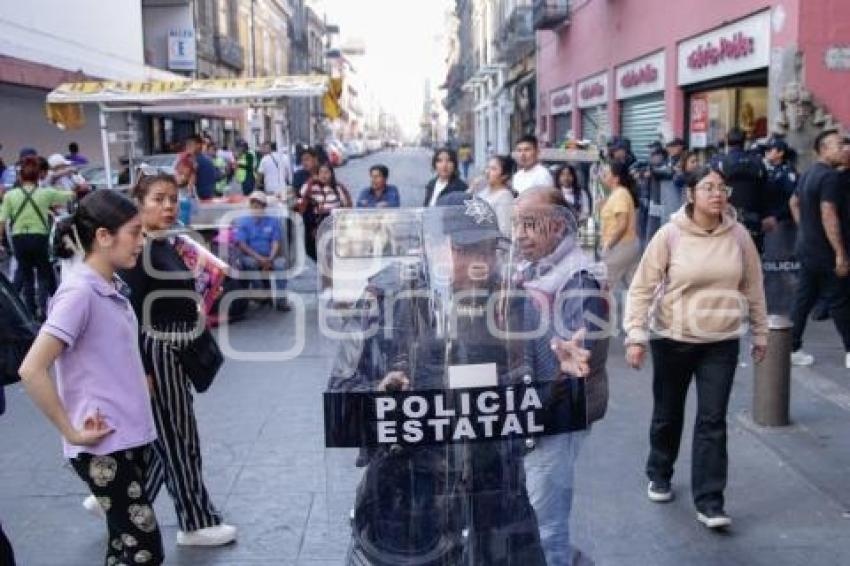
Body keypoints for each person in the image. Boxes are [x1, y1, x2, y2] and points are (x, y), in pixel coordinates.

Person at [329, 194, 547, 565]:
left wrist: (574, 378)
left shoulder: (514, 301)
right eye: (466, 251)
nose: (480, 264)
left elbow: (559, 400)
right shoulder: (387, 296)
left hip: (495, 490)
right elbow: (341, 393)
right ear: (432, 246)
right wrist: (379, 395)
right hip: (409, 495)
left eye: (488, 250)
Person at [18, 190, 164, 565]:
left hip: (127, 436)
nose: (141, 242)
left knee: (123, 547)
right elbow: (32, 368)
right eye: (134, 232)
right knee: (144, 550)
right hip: (103, 445)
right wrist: (70, 431)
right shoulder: (79, 292)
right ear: (103, 236)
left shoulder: (110, 286)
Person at [624, 165, 768, 530]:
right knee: (668, 413)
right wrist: (636, 335)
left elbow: (753, 285)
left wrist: (761, 332)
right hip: (673, 338)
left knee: (712, 419)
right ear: (690, 194)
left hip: (721, 341)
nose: (718, 194)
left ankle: (710, 501)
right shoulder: (669, 235)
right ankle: (659, 470)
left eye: (722, 188)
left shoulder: (738, 236)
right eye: (708, 188)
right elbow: (642, 287)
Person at [119, 173, 237, 546]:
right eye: (159, 199)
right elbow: (130, 315)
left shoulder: (165, 242)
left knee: (164, 438)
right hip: (158, 350)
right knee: (178, 437)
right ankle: (195, 520)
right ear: (139, 203)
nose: (168, 206)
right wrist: (142, 369)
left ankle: (125, 499)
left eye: (172, 199)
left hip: (176, 348)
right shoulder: (137, 251)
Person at [512, 186, 609, 565]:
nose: (520, 234)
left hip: (557, 413)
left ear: (556, 227)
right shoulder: (532, 266)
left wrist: (567, 353)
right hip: (533, 409)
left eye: (529, 225)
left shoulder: (578, 278)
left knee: (545, 521)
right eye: (517, 224)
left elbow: (585, 348)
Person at [788, 130, 850, 368]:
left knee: (803, 299)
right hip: (824, 251)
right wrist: (840, 252)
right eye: (838, 144)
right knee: (839, 300)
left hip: (807, 248)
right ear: (823, 149)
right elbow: (828, 213)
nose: (842, 148)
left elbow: (793, 202)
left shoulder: (808, 174)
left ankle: (792, 346)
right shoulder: (829, 177)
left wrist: (805, 229)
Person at [0, 156, 77, 318]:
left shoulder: (10, 196)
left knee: (26, 274)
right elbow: (68, 196)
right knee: (42, 272)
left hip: (19, 238)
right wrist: (76, 189)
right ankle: (43, 308)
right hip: (39, 237)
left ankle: (29, 311)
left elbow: (2, 220)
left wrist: (0, 241)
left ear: (20, 177)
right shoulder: (46, 193)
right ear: (37, 177)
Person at [235, 190, 290, 311]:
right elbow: (242, 245)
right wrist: (259, 259)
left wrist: (270, 258)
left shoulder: (273, 221)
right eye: (253, 206)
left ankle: (281, 301)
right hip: (252, 255)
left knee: (280, 265)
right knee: (249, 263)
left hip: (270, 256)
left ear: (264, 207)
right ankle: (262, 293)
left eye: (259, 206)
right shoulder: (243, 222)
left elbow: (276, 241)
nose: (256, 209)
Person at [717, 127, 768, 253]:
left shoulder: (720, 162)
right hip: (753, 215)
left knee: (727, 253)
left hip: (726, 214)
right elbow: (765, 188)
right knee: (753, 254)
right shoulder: (757, 162)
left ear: (727, 141)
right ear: (745, 141)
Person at [599, 160, 641, 297]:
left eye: (606, 174)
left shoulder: (620, 195)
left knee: (605, 286)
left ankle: (609, 316)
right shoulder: (618, 194)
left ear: (615, 179)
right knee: (634, 287)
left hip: (620, 246)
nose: (603, 176)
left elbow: (622, 225)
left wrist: (608, 246)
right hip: (627, 245)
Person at [297, 163, 352, 262]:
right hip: (315, 224)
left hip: (333, 224)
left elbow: (347, 206)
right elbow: (302, 194)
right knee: (312, 250)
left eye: (326, 172)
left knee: (330, 254)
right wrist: (311, 181)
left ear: (331, 174)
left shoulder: (338, 188)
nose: (324, 175)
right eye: (321, 172)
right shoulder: (312, 187)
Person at [762, 138, 798, 233]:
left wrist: (777, 217)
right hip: (766, 219)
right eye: (766, 150)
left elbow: (792, 198)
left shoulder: (787, 172)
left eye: (770, 150)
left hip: (781, 222)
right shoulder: (768, 171)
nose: (766, 152)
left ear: (780, 153)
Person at [476, 154, 516, 234]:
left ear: (504, 176)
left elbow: (504, 231)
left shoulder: (505, 197)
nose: (487, 172)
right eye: (487, 167)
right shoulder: (482, 193)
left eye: (493, 169)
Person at [185, 135, 218, 200]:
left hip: (199, 197)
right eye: (187, 145)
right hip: (208, 195)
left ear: (198, 145)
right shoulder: (207, 160)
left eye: (190, 145)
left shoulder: (194, 161)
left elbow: (185, 180)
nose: (187, 148)